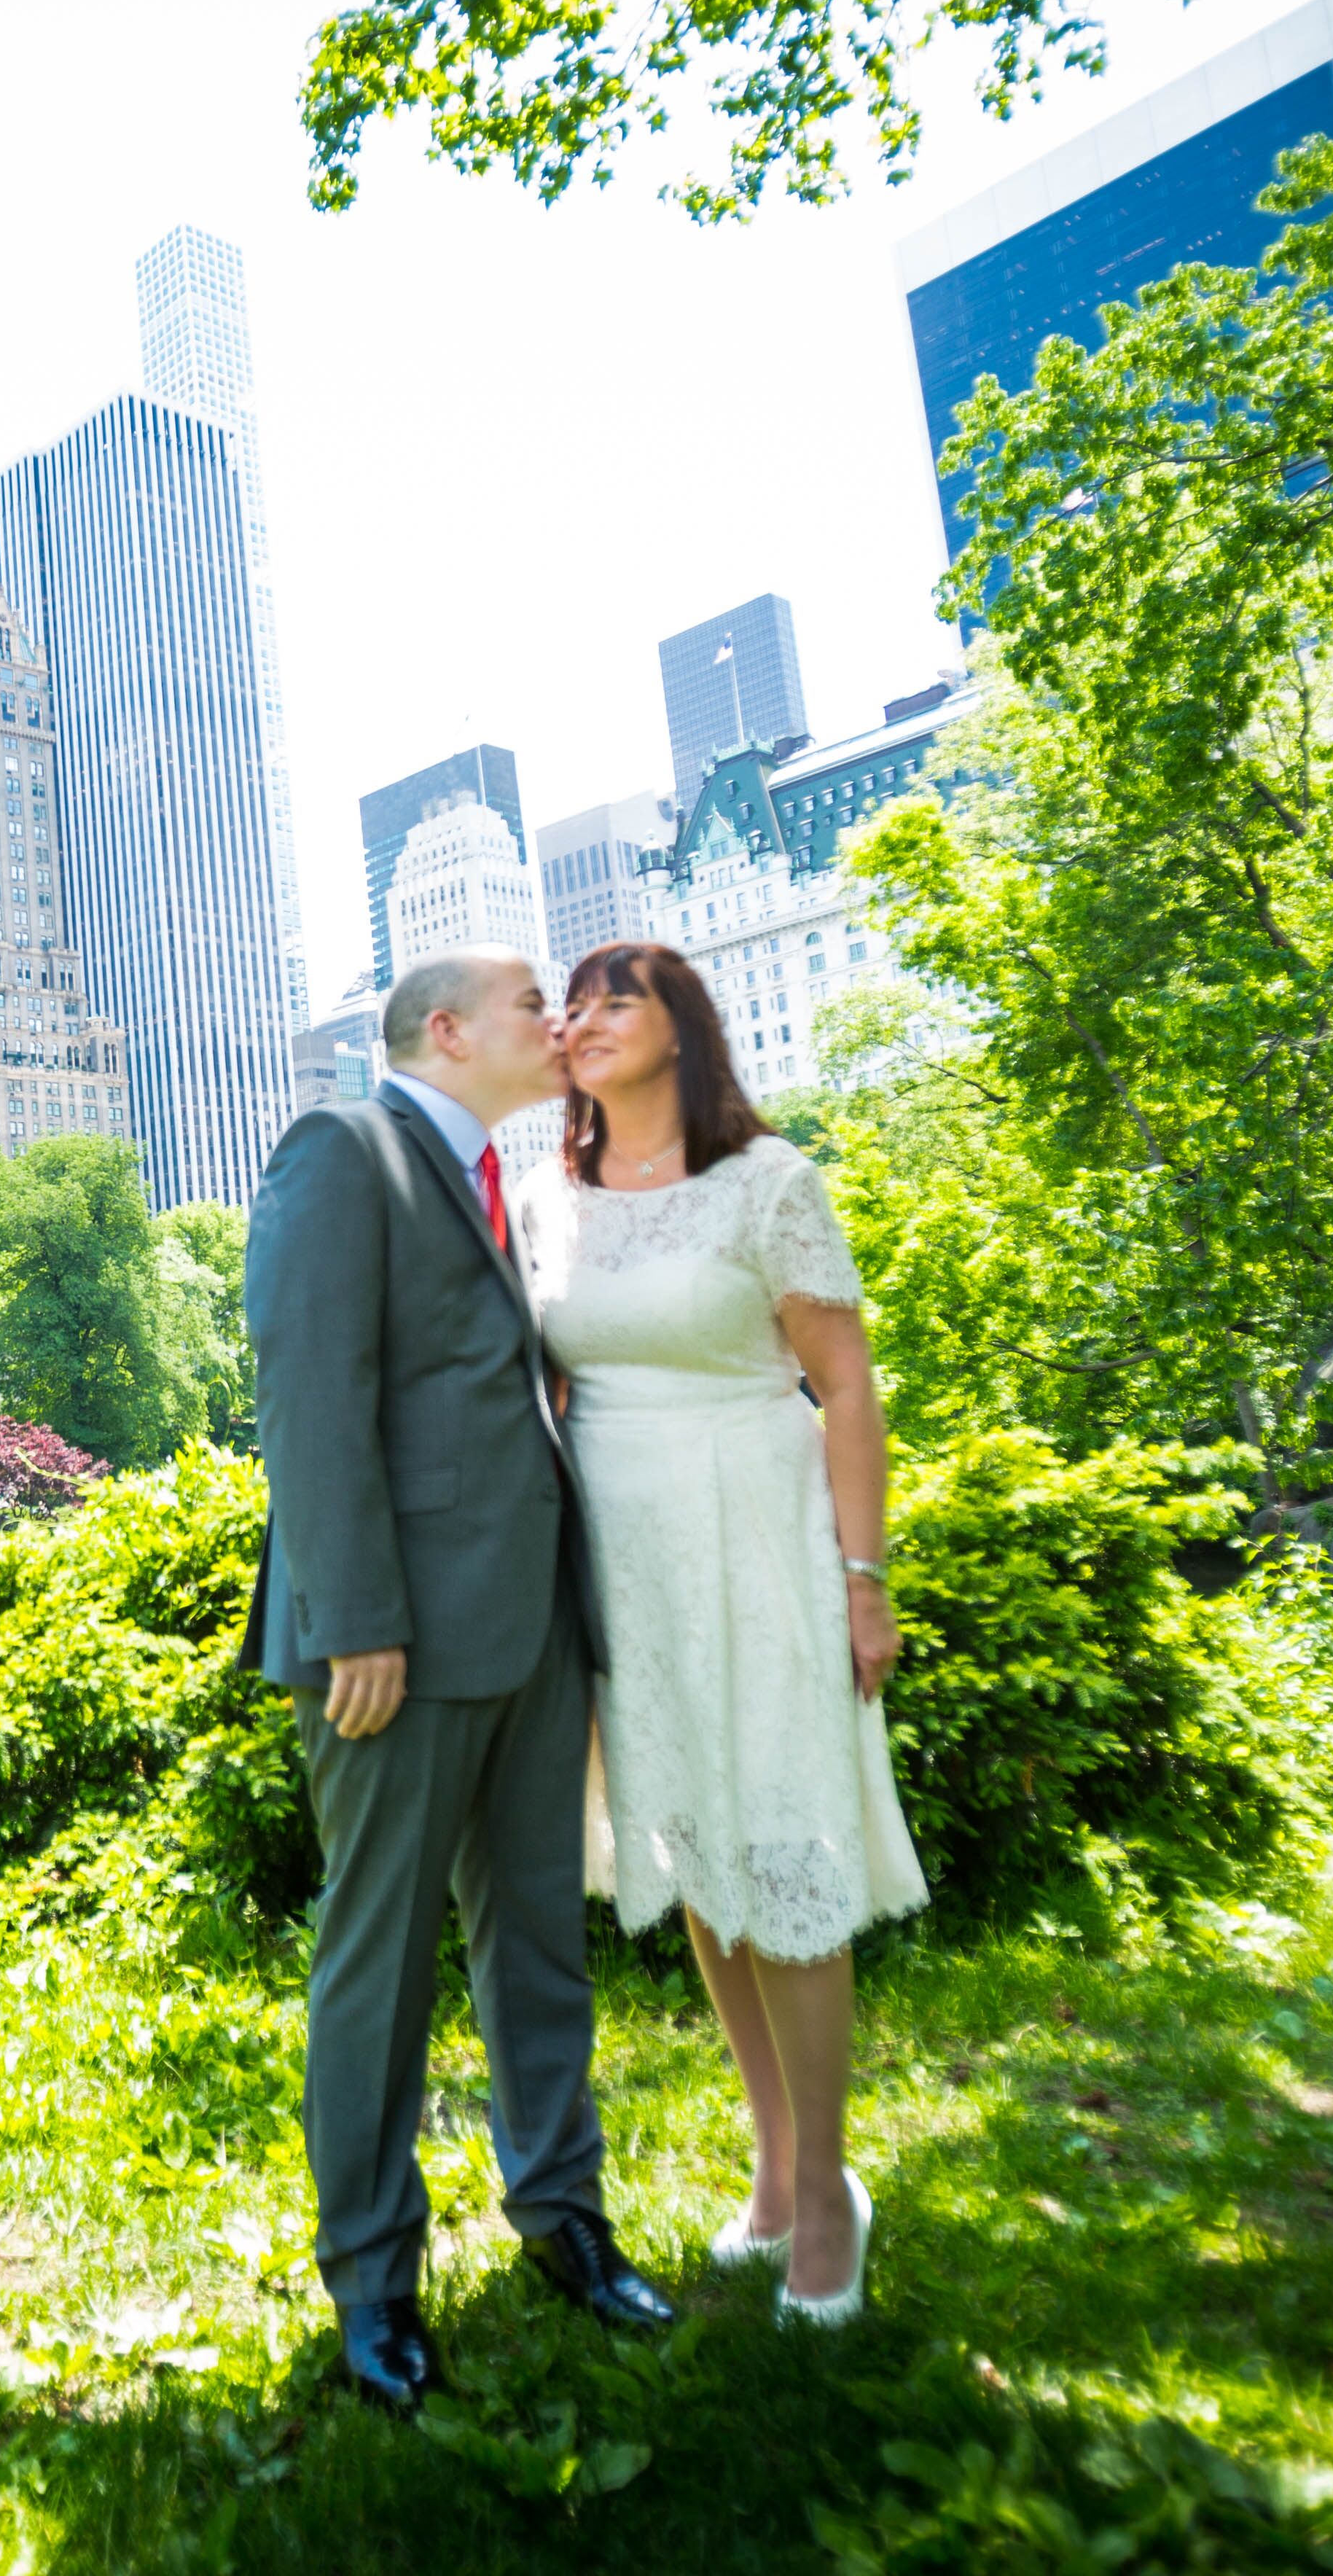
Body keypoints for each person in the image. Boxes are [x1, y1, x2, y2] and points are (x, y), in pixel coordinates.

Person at [243, 950, 676, 2414]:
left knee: (539, 1946)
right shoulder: (343, 1151)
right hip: (394, 1651)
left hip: (532, 1635)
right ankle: (376, 2285)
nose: (553, 1026)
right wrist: (357, 1614)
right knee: (381, 1963)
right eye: (522, 1004)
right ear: (446, 1029)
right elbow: (308, 1395)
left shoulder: (501, 1175)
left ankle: (566, 2220)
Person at [520, 940, 928, 2325]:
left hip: (758, 1541)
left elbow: (849, 1387)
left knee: (787, 1850)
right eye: (568, 1004)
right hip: (621, 1567)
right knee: (696, 1853)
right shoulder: (549, 1198)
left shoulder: (771, 1183)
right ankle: (770, 2156)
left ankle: (829, 2191)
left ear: (682, 1027)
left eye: (612, 997)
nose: (580, 1020)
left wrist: (863, 1574)